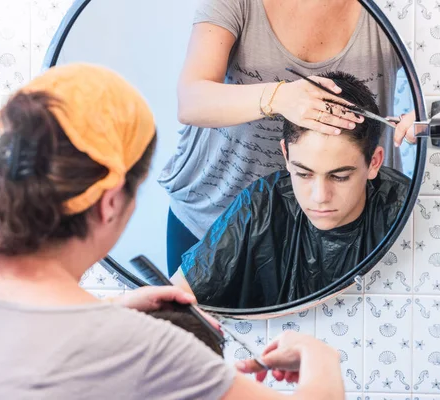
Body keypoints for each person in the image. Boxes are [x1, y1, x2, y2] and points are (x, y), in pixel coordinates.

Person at [0, 63, 345, 399]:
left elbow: (17, 332)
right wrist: (320, 357)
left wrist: (109, 313)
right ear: (109, 203)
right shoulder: (144, 350)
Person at [159, 0, 416, 276]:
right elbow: (190, 101)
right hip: (214, 217)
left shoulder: (396, 7)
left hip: (346, 234)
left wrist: (428, 112)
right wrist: (279, 97)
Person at [172, 72, 410, 308]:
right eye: (303, 174)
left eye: (340, 177)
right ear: (286, 155)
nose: (319, 197)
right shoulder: (260, 206)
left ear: (375, 162)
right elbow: (176, 296)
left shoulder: (404, 211)